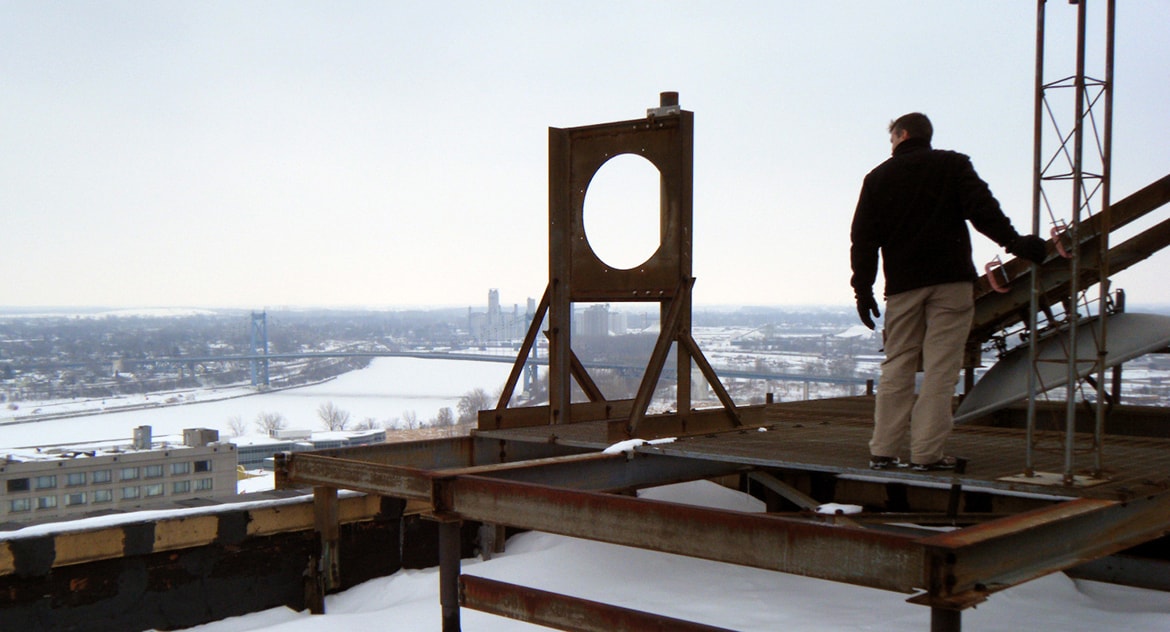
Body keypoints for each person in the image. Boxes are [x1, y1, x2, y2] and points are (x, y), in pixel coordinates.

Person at [849, 112, 1045, 472]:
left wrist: (863, 289)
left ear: (902, 135)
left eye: (891, 138)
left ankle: (883, 450)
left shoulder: (877, 178)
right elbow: (983, 211)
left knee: (898, 365)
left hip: (904, 286)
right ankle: (927, 454)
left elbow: (863, 240)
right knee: (941, 369)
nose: (890, 144)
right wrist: (1015, 243)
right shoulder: (953, 165)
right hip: (951, 282)